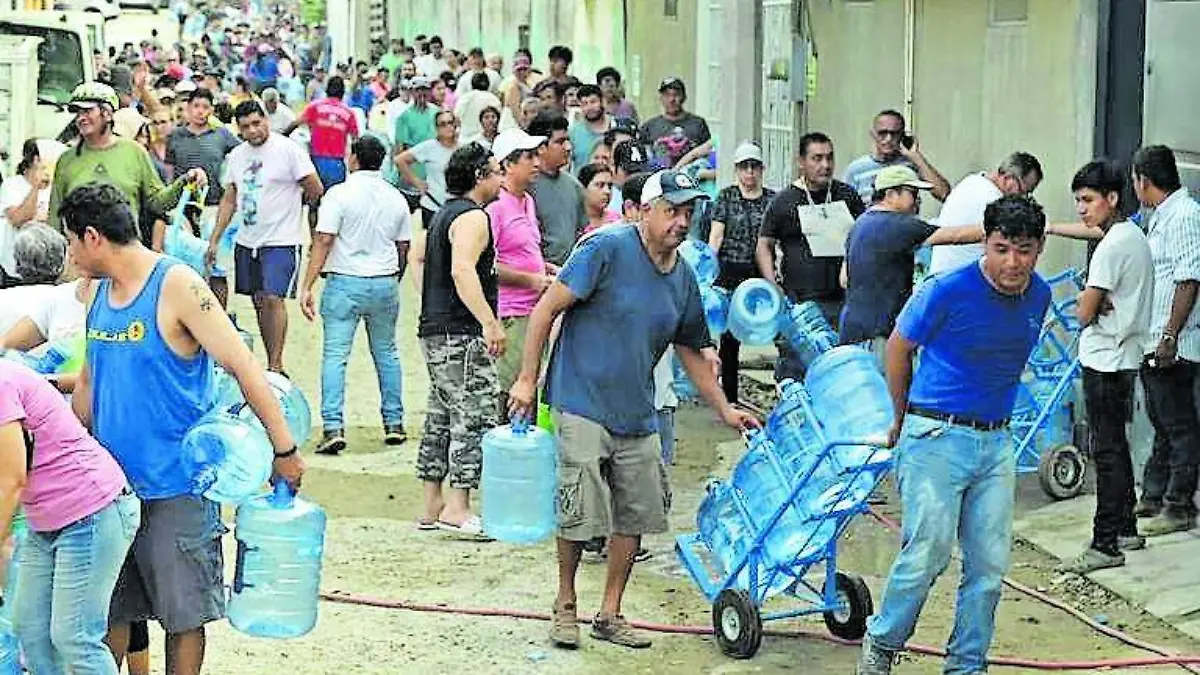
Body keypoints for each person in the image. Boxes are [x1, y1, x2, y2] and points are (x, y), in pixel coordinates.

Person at [508, 169, 759, 650]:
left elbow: (690, 348)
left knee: (636, 511)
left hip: (636, 409)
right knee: (580, 509)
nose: (682, 222)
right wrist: (526, 378)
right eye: (672, 211)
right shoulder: (604, 249)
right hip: (579, 396)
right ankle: (565, 603)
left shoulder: (683, 277)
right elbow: (545, 309)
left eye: (688, 213)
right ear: (645, 211)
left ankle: (610, 611)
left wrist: (725, 409)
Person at [61, 182, 305, 675]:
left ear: (92, 237)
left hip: (177, 486)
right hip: (112, 492)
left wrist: (284, 448)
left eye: (69, 240)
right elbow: (88, 381)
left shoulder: (178, 286)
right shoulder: (98, 295)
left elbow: (243, 365)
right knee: (112, 612)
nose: (68, 252)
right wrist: (63, 455)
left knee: (183, 616)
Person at [856, 195, 1051, 675]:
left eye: (1024, 250)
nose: (1012, 262)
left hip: (995, 442)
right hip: (935, 436)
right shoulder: (946, 290)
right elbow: (899, 348)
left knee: (988, 567)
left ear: (1039, 248)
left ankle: (967, 665)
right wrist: (901, 422)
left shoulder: (1040, 295)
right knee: (928, 553)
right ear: (985, 243)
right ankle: (882, 644)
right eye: (1002, 248)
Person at [1, 359, 139, 674]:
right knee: (31, 632)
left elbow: (11, 481)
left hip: (92, 509)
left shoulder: (2, 384)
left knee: (75, 636)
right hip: (45, 520)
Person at [1057, 160, 1153, 573]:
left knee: (1108, 452)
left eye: (1088, 200)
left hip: (1104, 359)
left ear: (1112, 199)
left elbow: (1082, 314)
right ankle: (1126, 526)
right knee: (1116, 446)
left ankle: (1105, 543)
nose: (1082, 209)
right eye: (1077, 200)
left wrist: (1089, 301)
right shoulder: (1130, 235)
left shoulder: (1111, 247)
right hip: (1123, 354)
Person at [299, 135, 412, 454]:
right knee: (387, 353)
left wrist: (307, 284)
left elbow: (323, 240)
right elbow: (403, 246)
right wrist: (394, 276)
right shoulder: (395, 197)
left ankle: (333, 425)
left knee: (335, 355)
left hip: (345, 280)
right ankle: (394, 422)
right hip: (384, 280)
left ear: (353, 159)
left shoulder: (338, 195)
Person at [416, 143, 504, 538]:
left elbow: (418, 258)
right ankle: (458, 505)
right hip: (461, 331)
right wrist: (489, 321)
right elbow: (462, 270)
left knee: (441, 414)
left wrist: (430, 300)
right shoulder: (473, 218)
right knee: (474, 414)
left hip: (435, 328)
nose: (502, 178)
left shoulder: (441, 215)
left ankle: (432, 502)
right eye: (497, 171)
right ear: (480, 176)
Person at [207, 101, 324, 375]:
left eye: (257, 123)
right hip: (248, 239)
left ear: (266, 121)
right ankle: (270, 357)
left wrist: (294, 208)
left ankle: (276, 363)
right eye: (245, 127)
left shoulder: (288, 150)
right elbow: (230, 197)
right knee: (258, 299)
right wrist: (215, 238)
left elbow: (315, 187)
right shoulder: (236, 156)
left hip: (282, 238)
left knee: (274, 297)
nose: (253, 131)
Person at [840, 166, 986, 364]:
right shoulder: (898, 224)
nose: (918, 200)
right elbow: (955, 235)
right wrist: (1006, 228)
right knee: (887, 392)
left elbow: (844, 279)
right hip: (879, 335)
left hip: (851, 330)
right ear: (891, 194)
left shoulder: (860, 224)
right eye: (913, 193)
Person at [755, 132, 865, 381]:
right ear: (801, 162)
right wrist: (774, 287)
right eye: (817, 158)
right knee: (796, 371)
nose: (824, 165)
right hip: (801, 304)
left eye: (829, 158)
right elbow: (764, 244)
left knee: (838, 372)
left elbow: (864, 237)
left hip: (843, 302)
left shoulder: (847, 196)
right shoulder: (784, 201)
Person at [1131, 145, 1200, 537]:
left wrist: (1170, 336)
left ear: (1143, 180)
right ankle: (1154, 494)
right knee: (1161, 420)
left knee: (1180, 425)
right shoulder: (1160, 217)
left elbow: (1189, 279)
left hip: (1175, 341)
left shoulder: (1185, 216)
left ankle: (1179, 505)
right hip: (1153, 336)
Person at [48, 83, 205, 236]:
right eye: (78, 112)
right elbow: (55, 217)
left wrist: (184, 181)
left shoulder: (134, 152)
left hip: (126, 254)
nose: (81, 118)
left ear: (108, 113)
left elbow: (157, 202)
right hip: (81, 256)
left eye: (88, 111)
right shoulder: (67, 160)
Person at [485, 129, 554, 411]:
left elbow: (524, 252)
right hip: (511, 314)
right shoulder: (496, 208)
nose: (536, 163)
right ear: (507, 165)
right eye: (528, 157)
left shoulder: (528, 202)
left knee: (532, 388)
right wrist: (532, 280)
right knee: (509, 392)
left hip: (534, 312)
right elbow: (485, 265)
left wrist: (547, 269)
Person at [708, 141, 774, 404]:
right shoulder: (726, 197)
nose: (749, 172)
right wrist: (708, 271)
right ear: (737, 170)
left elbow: (774, 240)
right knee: (730, 337)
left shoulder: (771, 199)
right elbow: (716, 235)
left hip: (760, 272)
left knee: (774, 329)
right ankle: (729, 397)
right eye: (744, 167)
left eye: (754, 167)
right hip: (730, 270)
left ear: (761, 169)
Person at [165, 87, 241, 303]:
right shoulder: (175, 136)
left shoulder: (222, 136)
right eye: (195, 106)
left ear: (212, 110)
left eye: (205, 107)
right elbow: (170, 172)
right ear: (188, 108)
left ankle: (219, 316)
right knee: (183, 266)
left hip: (213, 208)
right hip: (182, 210)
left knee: (216, 266)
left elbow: (241, 158)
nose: (199, 111)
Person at [929, 152, 1045, 275]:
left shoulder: (972, 180)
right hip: (961, 280)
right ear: (1007, 178)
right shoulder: (994, 204)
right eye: (1023, 191)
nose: (1023, 198)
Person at [286, 76, 359, 231]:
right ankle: (332, 241)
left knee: (313, 204)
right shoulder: (348, 113)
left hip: (315, 162)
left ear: (326, 89)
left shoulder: (315, 107)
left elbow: (295, 124)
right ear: (342, 92)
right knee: (336, 206)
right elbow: (356, 139)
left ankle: (314, 241)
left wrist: (279, 138)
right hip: (336, 164)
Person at [842, 109, 951, 205]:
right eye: (883, 133)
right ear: (873, 134)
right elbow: (845, 207)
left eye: (894, 134)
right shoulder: (856, 169)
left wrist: (917, 158)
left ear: (902, 136)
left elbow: (944, 194)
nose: (888, 139)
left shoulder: (910, 164)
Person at [527, 112, 587, 266]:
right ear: (541, 147)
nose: (568, 147)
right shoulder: (525, 187)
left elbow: (581, 231)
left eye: (568, 140)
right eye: (560, 142)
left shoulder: (574, 186)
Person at [397, 110, 462, 227]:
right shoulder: (429, 147)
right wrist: (416, 182)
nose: (448, 127)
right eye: (443, 124)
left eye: (450, 123)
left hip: (457, 207)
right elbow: (400, 160)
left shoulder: (462, 148)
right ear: (437, 128)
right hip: (433, 205)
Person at [1, 140, 50, 287]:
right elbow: (18, 219)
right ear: (36, 160)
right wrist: (35, 188)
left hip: (46, 268)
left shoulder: (54, 186)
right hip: (15, 270)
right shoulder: (11, 185)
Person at [638, 78, 710, 168]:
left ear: (684, 97)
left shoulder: (698, 124)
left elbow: (708, 154)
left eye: (676, 95)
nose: (671, 99)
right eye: (667, 95)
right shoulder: (649, 126)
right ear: (661, 98)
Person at [567, 85, 612, 171]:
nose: (589, 108)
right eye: (584, 104)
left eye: (593, 102)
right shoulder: (573, 133)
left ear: (602, 102)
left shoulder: (616, 126)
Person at [454, 71, 502, 141]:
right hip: (487, 139)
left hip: (465, 139)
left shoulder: (465, 98)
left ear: (472, 84)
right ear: (488, 84)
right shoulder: (494, 99)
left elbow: (456, 117)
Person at [578, 163, 620, 234]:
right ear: (583, 188)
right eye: (600, 185)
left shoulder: (617, 222)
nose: (607, 191)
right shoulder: (574, 223)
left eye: (610, 186)